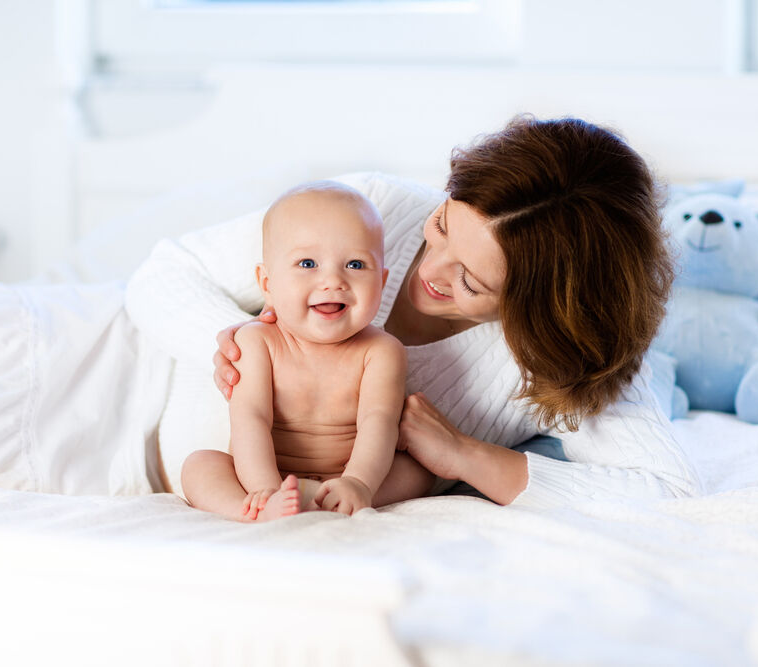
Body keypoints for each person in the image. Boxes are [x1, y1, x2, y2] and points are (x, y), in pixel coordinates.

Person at [127, 115, 703, 509]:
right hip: (123, 376)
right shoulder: (374, 209)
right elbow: (165, 271)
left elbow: (666, 488)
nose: (432, 270)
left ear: (542, 311)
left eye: (470, 280)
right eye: (443, 227)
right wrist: (232, 349)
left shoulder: (563, 361)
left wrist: (467, 457)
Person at [181, 182, 429, 521]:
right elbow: (250, 419)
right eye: (308, 263)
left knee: (418, 472)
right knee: (199, 466)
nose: (332, 281)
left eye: (355, 265)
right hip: (263, 475)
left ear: (382, 283)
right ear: (267, 284)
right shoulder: (257, 342)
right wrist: (266, 488)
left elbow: (379, 423)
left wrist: (359, 482)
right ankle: (251, 510)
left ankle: (338, 499)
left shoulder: (382, 352)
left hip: (345, 476)